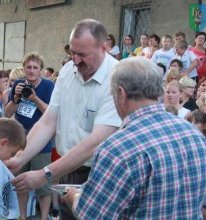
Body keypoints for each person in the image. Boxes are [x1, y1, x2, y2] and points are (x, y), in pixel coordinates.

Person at [61, 56, 206, 219]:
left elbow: (91, 215)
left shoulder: (117, 149)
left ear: (121, 93)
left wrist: (74, 197)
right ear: (159, 91)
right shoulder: (194, 135)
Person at [7, 19, 121, 220]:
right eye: (72, 53)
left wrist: (45, 174)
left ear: (105, 47)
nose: (75, 60)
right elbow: (49, 121)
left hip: (100, 175)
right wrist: (20, 158)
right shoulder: (68, 72)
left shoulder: (117, 78)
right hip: (67, 170)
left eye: (82, 54)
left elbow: (96, 142)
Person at [4, 52, 55, 220]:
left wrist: (35, 98)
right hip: (20, 140)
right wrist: (16, 98)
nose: (31, 71)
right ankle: (23, 217)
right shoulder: (18, 84)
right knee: (20, 182)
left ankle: (44, 217)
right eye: (28, 67)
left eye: (35, 67)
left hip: (41, 141)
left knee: (44, 185)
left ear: (40, 70)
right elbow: (7, 112)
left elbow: (51, 112)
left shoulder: (48, 86)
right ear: (23, 68)